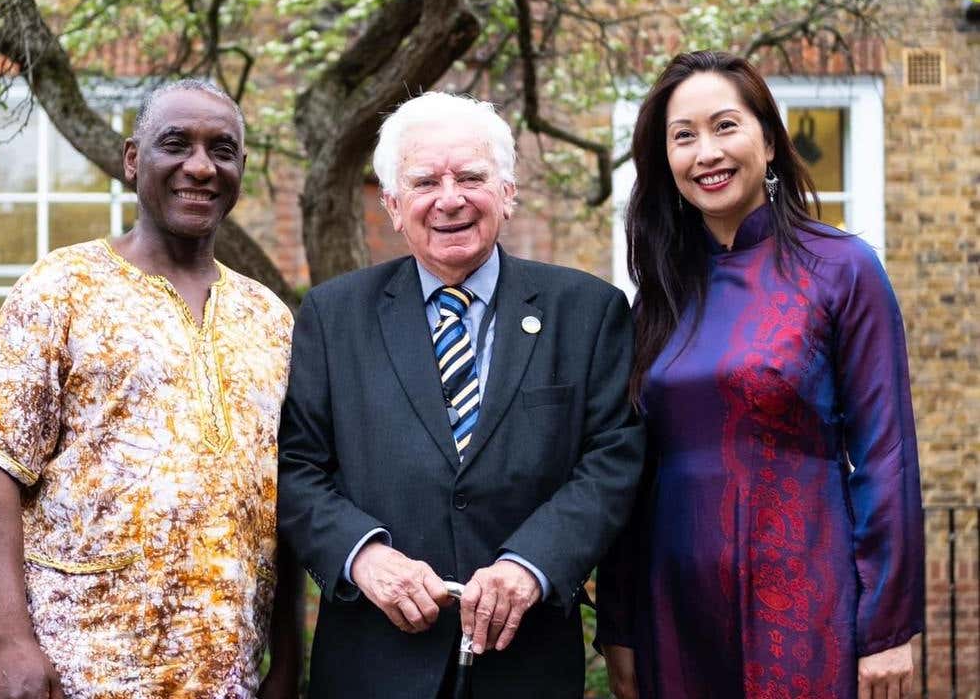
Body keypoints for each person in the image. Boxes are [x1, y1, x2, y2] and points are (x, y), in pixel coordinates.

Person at [0, 80, 301, 699]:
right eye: (176, 144)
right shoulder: (62, 287)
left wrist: (288, 663)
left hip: (225, 678)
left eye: (223, 149)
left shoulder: (270, 318)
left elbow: (287, 497)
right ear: (134, 160)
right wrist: (11, 642)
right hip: (80, 669)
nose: (200, 167)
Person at [277, 91, 645, 698]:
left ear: (507, 192)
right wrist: (364, 557)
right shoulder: (332, 315)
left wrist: (529, 566)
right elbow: (296, 466)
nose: (450, 199)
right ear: (394, 206)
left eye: (471, 177)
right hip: (374, 661)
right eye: (425, 182)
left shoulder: (588, 311)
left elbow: (612, 462)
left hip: (525, 661)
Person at [595, 50, 924, 699]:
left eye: (725, 126)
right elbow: (628, 470)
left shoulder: (842, 270)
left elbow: (886, 455)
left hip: (805, 599)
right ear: (665, 160)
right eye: (683, 136)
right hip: (675, 606)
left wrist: (887, 625)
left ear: (768, 141)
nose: (705, 153)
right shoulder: (657, 295)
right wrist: (620, 625)